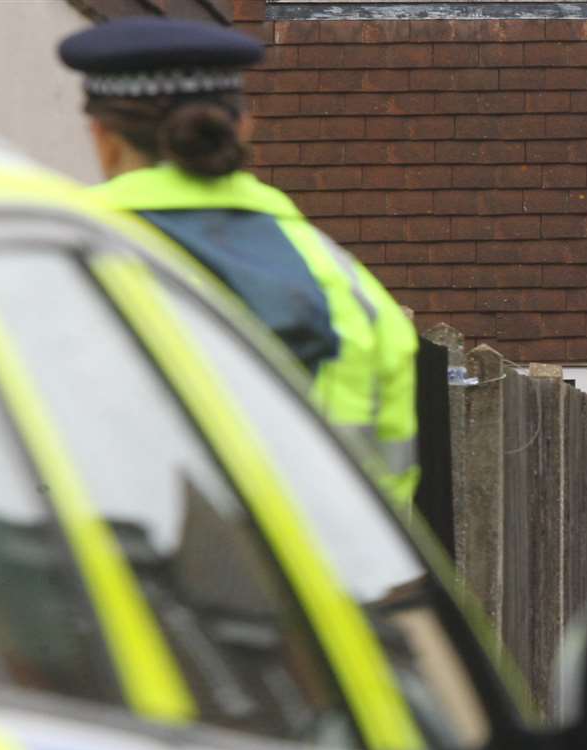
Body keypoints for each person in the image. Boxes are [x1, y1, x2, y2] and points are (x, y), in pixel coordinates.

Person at [58, 17, 420, 508]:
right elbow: (387, 486)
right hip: (316, 577)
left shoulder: (51, 257)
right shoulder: (348, 289)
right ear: (243, 125)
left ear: (102, 135)